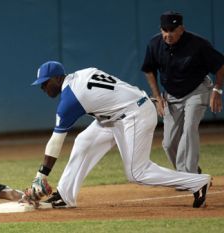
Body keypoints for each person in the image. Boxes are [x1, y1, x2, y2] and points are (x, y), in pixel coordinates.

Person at [29, 60, 211, 209]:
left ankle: (197, 182)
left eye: (45, 82)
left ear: (58, 77)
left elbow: (56, 141)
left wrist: (41, 176)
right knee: (84, 141)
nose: (43, 87)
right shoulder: (83, 72)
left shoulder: (70, 100)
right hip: (117, 114)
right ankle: (64, 195)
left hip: (134, 114)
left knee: (136, 173)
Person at [141, 11, 224, 175]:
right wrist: (158, 97)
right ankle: (185, 173)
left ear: (181, 29)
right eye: (165, 30)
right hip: (172, 95)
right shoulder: (155, 44)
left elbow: (220, 66)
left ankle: (190, 175)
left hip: (197, 90)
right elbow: (149, 70)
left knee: (189, 129)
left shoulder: (199, 44)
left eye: (172, 29)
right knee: (169, 143)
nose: (168, 34)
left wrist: (217, 90)